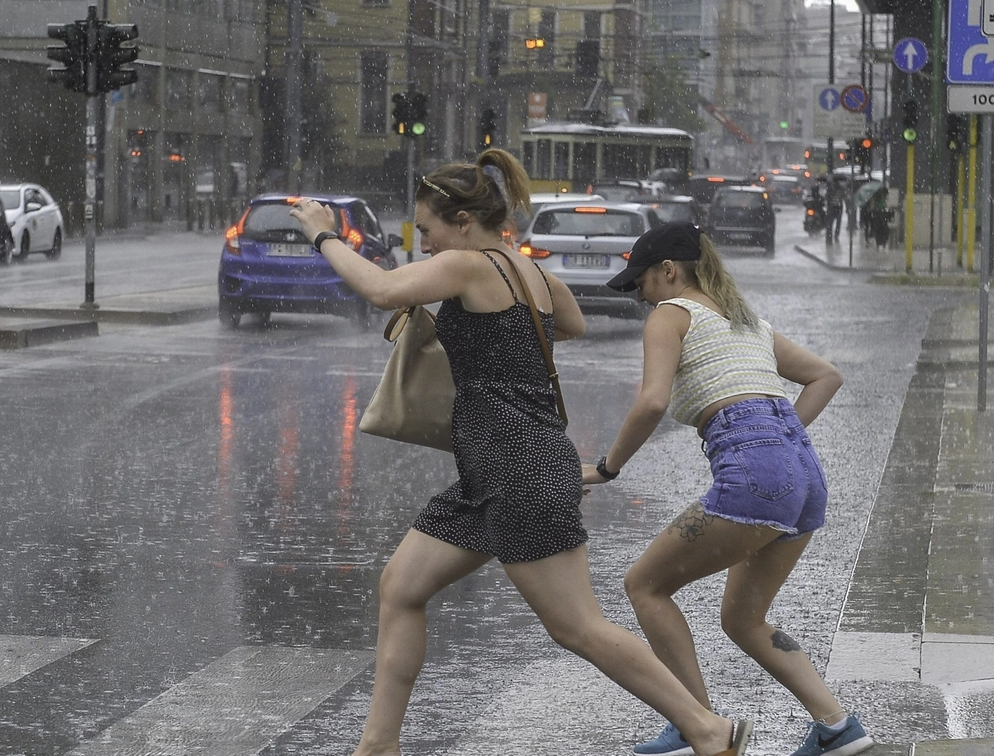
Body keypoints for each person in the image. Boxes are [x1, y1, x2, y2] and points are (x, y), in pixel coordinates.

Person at [289, 149, 750, 756]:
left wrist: (324, 234)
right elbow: (573, 321)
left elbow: (379, 289)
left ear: (459, 223)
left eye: (426, 229)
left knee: (577, 626)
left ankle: (707, 728)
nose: (424, 242)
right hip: (500, 469)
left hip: (516, 469)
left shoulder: (469, 265)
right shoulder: (523, 270)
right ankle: (378, 746)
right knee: (401, 587)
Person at [586, 221, 874, 756]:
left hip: (757, 476)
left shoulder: (670, 316)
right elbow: (825, 376)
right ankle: (837, 726)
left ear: (668, 271)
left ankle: (698, 726)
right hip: (806, 477)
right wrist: (778, 440)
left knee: (644, 586)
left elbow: (651, 402)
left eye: (641, 283)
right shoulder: (747, 322)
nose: (640, 297)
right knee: (744, 618)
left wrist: (606, 469)